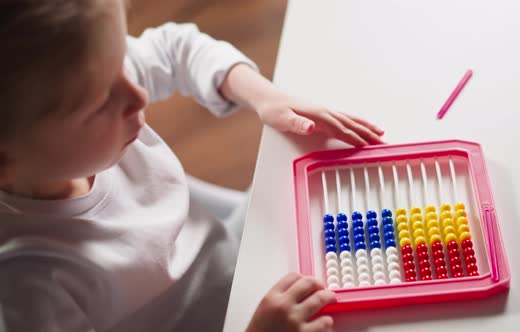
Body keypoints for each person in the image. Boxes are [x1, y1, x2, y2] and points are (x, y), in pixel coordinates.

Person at [0, 0, 385, 331]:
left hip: (232, 260)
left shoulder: (85, 73)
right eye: (101, 102)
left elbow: (175, 48)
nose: (137, 94)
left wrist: (265, 97)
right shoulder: (32, 289)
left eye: (122, 63)